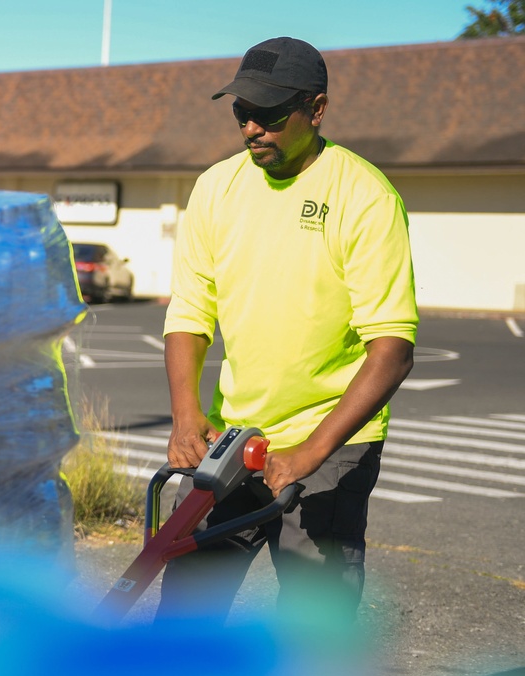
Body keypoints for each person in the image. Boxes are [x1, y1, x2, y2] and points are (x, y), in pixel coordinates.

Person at [156, 37, 418, 621]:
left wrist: (310, 452)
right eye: (240, 113)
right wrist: (185, 415)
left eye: (270, 115)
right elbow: (190, 311)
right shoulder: (216, 188)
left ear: (316, 108)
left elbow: (392, 347)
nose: (252, 128)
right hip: (235, 433)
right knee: (185, 614)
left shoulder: (364, 197)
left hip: (329, 439)